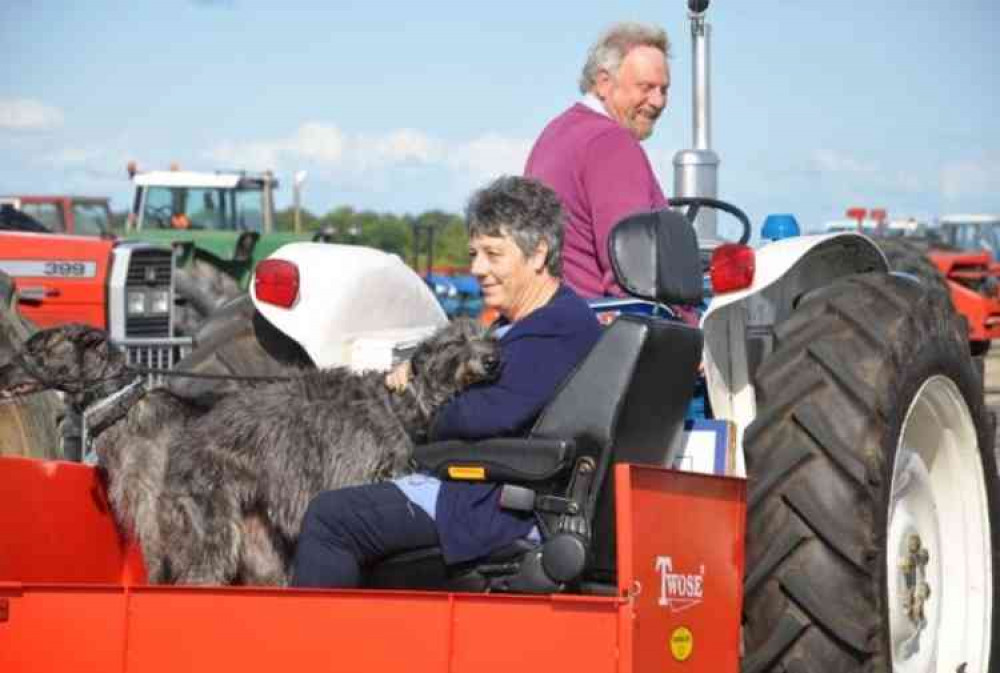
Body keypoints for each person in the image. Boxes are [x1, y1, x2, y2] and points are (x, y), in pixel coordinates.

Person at [291, 176, 602, 588]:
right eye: (475, 254)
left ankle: (317, 650)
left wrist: (416, 398)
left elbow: (483, 415)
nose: (477, 269)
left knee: (330, 518)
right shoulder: (535, 323)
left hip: (491, 504)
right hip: (481, 488)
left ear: (538, 253)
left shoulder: (556, 328)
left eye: (493, 254)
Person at [525, 22, 671, 298]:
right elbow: (634, 275)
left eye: (664, 89)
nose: (658, 101)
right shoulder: (612, 144)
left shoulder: (554, 134)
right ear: (604, 83)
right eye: (646, 87)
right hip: (600, 328)